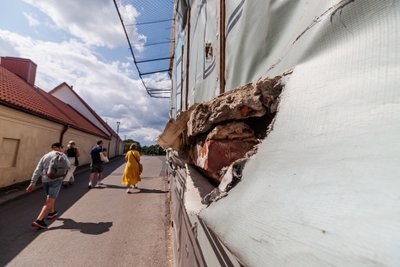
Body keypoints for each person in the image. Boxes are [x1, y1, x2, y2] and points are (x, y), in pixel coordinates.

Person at [26, 142, 71, 229]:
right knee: (50, 199)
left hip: (45, 179)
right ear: (57, 147)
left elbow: (38, 170)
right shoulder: (62, 155)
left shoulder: (45, 156)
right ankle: (39, 220)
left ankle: (52, 212)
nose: (61, 149)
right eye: (60, 147)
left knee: (49, 196)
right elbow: (68, 166)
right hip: (57, 179)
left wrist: (33, 182)